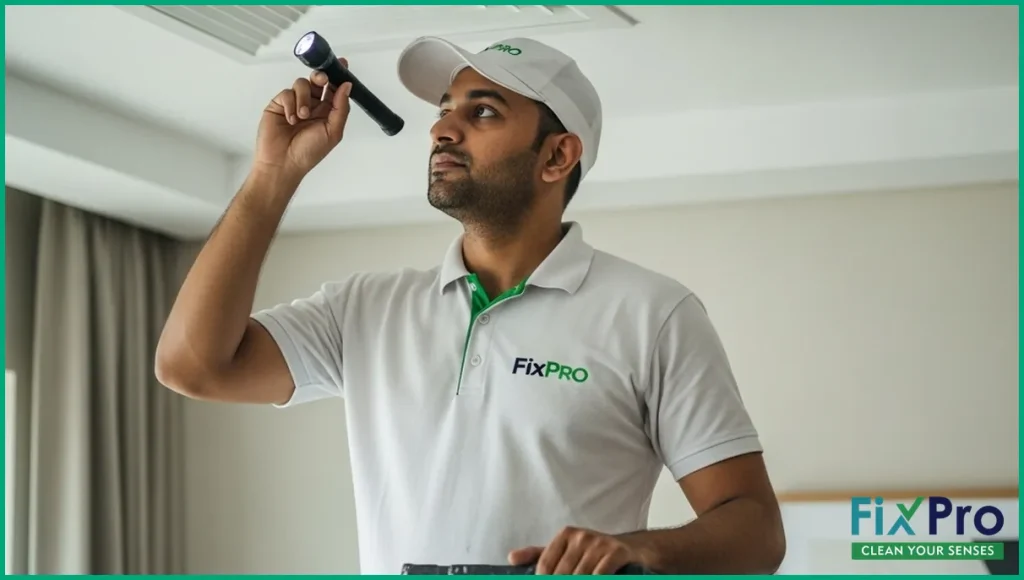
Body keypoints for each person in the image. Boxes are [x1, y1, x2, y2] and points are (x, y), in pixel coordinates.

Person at [156, 35, 786, 575]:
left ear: (557, 155)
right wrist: (274, 174)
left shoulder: (653, 314)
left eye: (483, 112)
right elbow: (192, 365)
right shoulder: (367, 308)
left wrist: (631, 550)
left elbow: (756, 529)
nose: (442, 129)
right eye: (444, 109)